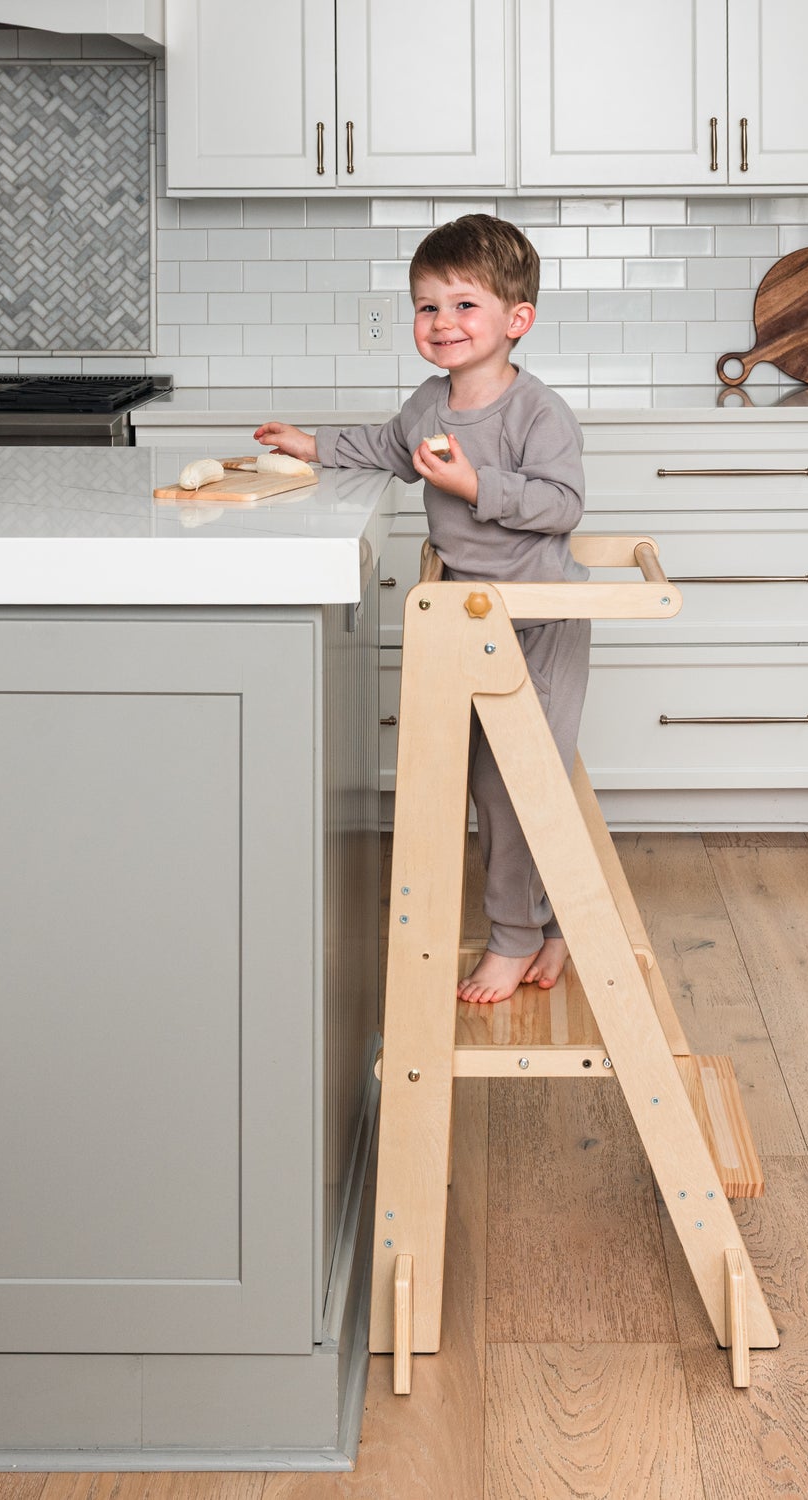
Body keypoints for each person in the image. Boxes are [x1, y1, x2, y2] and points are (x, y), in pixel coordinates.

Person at [255, 213, 590, 1006]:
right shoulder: (430, 403)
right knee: (486, 784)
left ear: (517, 320)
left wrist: (474, 486)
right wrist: (313, 444)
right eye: (427, 306)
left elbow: (561, 505)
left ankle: (513, 937)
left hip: (536, 626)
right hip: (471, 624)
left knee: (518, 787)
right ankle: (546, 927)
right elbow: (385, 446)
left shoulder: (538, 413)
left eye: (464, 305)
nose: (442, 323)